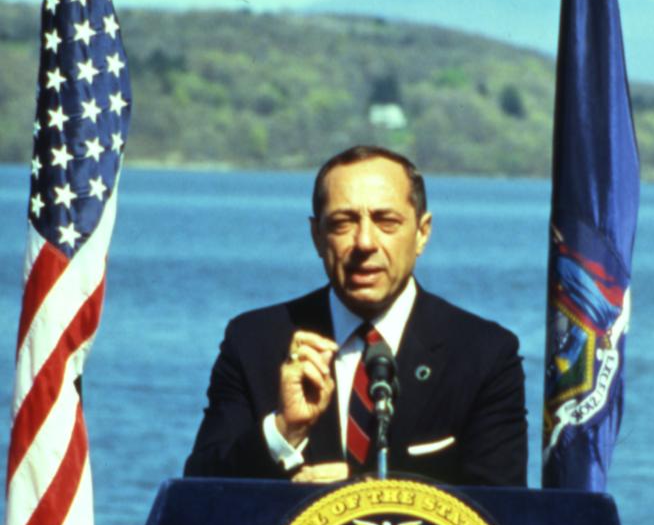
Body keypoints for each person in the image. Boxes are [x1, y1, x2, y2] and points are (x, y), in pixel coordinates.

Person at [184, 145, 527, 486]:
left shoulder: (483, 354)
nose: (364, 243)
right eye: (342, 223)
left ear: (422, 232)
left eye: (386, 222)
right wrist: (283, 430)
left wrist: (362, 492)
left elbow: (499, 516)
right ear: (317, 237)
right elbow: (199, 497)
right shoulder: (255, 342)